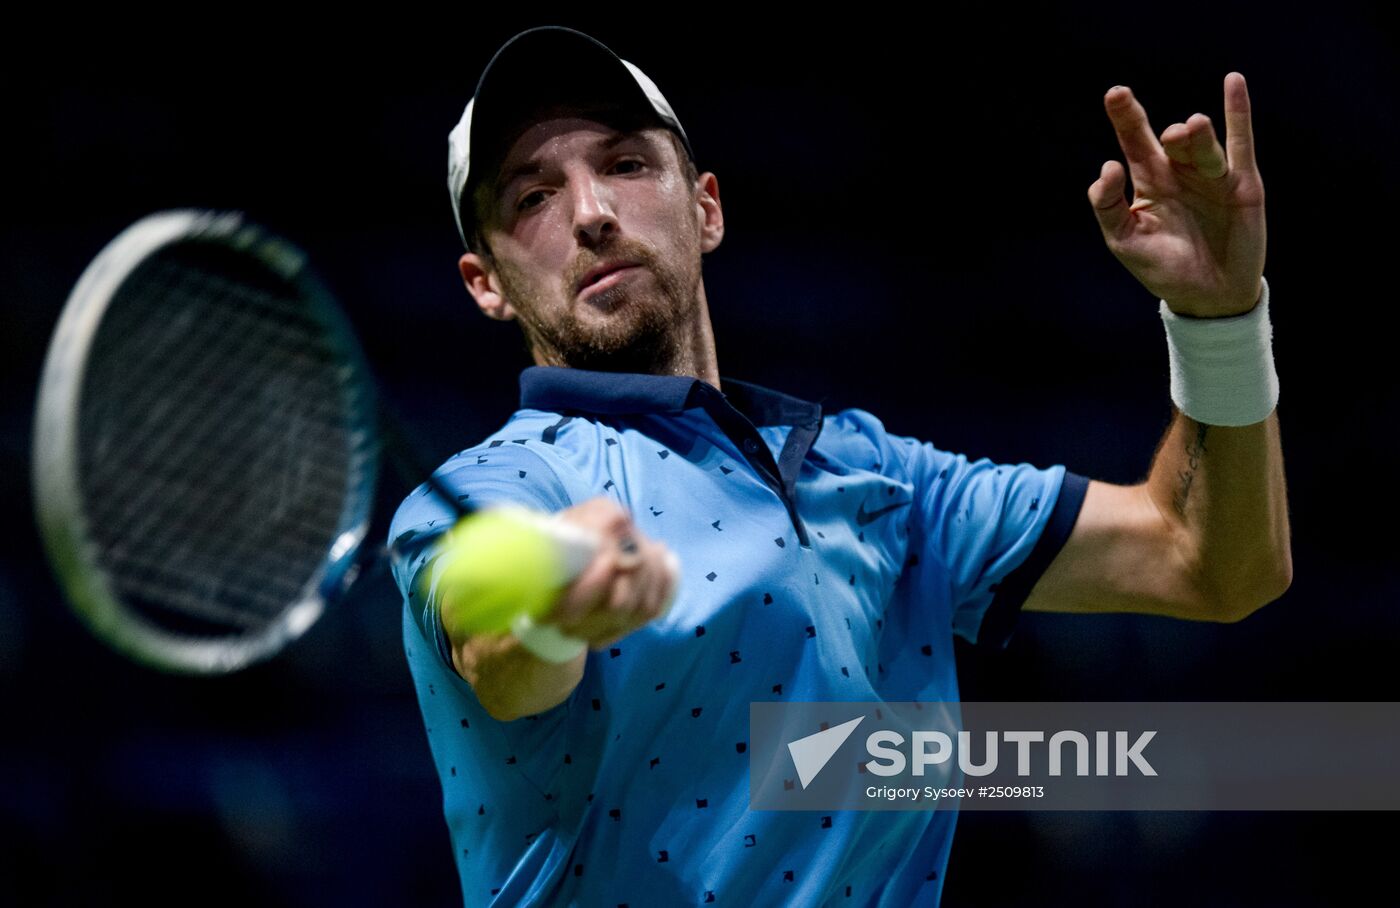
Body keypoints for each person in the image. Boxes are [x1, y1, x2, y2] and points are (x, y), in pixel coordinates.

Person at [388, 26, 1291, 907]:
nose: (591, 213)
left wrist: (1219, 324)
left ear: (706, 207)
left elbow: (1211, 561)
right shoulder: (498, 487)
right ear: (486, 282)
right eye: (531, 198)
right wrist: (552, 596)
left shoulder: (877, 478)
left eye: (626, 164)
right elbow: (492, 645)